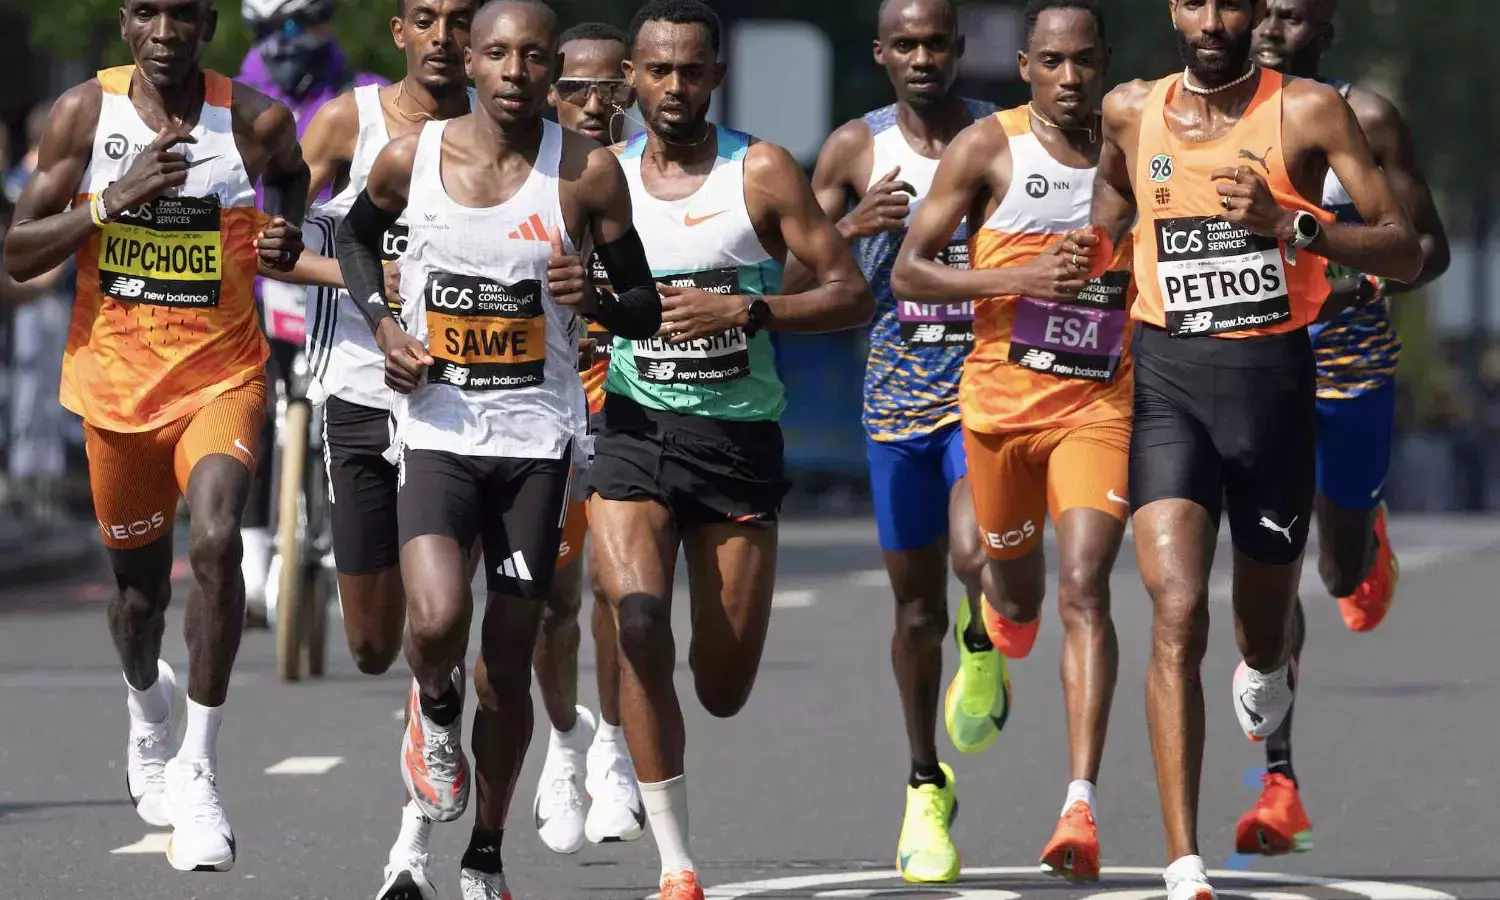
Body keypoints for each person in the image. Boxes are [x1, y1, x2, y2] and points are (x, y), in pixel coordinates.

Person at [1061, 0, 1422, 895]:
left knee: (1262, 626)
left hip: (1273, 388)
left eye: (1232, 1)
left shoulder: (1309, 112)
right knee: (1176, 610)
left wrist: (1296, 226)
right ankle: (1182, 862)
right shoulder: (1128, 107)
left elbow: (1405, 248)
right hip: (1170, 383)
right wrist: (1097, 244)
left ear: (1256, 11)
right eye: (1196, 0)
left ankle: (1266, 663)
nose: (1213, 18)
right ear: (1174, 9)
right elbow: (1113, 192)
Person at [332, 1, 663, 895]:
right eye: (496, 54)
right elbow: (356, 239)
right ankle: (431, 714)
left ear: (552, 68)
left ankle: (484, 852)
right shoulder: (414, 158)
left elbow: (644, 307)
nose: (514, 71)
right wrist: (383, 323)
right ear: (469, 64)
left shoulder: (588, 175)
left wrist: (593, 293)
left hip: (537, 444)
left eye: (531, 57)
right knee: (436, 620)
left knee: (507, 661)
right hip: (438, 431)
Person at [3, 0, 307, 873]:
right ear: (126, 23)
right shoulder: (80, 115)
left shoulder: (251, 119)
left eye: (181, 13)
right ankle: (148, 712)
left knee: (215, 542)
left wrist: (282, 231)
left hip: (222, 375)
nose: (163, 29)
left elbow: (288, 175)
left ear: (208, 24)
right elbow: (19, 252)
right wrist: (110, 202)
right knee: (138, 603)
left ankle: (200, 770)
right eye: (146, 12)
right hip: (114, 392)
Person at [585, 2, 873, 897]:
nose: (676, 87)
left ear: (718, 76)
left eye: (693, 70)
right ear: (630, 78)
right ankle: (675, 863)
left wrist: (748, 309)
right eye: (659, 70)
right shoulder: (599, 179)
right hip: (631, 428)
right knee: (636, 622)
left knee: (720, 685)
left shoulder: (763, 170)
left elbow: (851, 293)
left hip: (737, 441)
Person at [893, 0, 1130, 884]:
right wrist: (1021, 274)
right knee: (1017, 597)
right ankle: (990, 628)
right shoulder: (987, 147)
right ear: (1027, 66)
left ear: (1106, 62)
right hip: (999, 408)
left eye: (1086, 62)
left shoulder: (1131, 143)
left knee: (1085, 587)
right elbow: (914, 269)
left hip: (1098, 404)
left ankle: (1080, 802)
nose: (1072, 79)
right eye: (1054, 63)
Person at [259, 0, 476, 895]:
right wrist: (362, 275)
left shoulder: (502, 129)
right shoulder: (350, 119)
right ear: (399, 32)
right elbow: (278, 245)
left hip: (465, 406)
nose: (443, 35)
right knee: (374, 641)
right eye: (425, 17)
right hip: (353, 387)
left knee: (441, 616)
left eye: (461, 19)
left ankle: (420, 808)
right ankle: (424, 688)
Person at [1233, 0, 1451, 856]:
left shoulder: (1366, 120)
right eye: (1258, 13)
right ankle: (1279, 783)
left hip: (1350, 370)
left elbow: (1426, 247)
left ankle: (1366, 541)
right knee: (1271, 571)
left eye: (1288, 16)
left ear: (1324, 28)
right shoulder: (1206, 115)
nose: (1266, 29)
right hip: (1251, 370)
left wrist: (1358, 272)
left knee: (1338, 570)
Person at [795, 0, 996, 883]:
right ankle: (924, 782)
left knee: (976, 549)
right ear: (882, 54)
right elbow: (792, 276)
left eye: (937, 42)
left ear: (960, 49)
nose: (923, 57)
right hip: (895, 402)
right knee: (913, 612)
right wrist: (851, 228)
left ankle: (983, 635)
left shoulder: (1004, 137)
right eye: (905, 44)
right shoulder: (853, 150)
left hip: (993, 388)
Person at [530, 19, 646, 856]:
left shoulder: (649, 170)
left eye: (613, 89)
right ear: (548, 90)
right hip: (540, 406)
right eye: (578, 89)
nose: (596, 105)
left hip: (633, 401)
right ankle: (562, 745)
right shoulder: (525, 171)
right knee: (552, 598)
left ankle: (613, 751)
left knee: (615, 587)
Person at [237, 0, 385, 622]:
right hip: (269, 271)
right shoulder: (241, 96)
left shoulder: (360, 96)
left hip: (345, 272)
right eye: (275, 29)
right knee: (257, 402)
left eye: (302, 24)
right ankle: (253, 556)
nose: (289, 40)